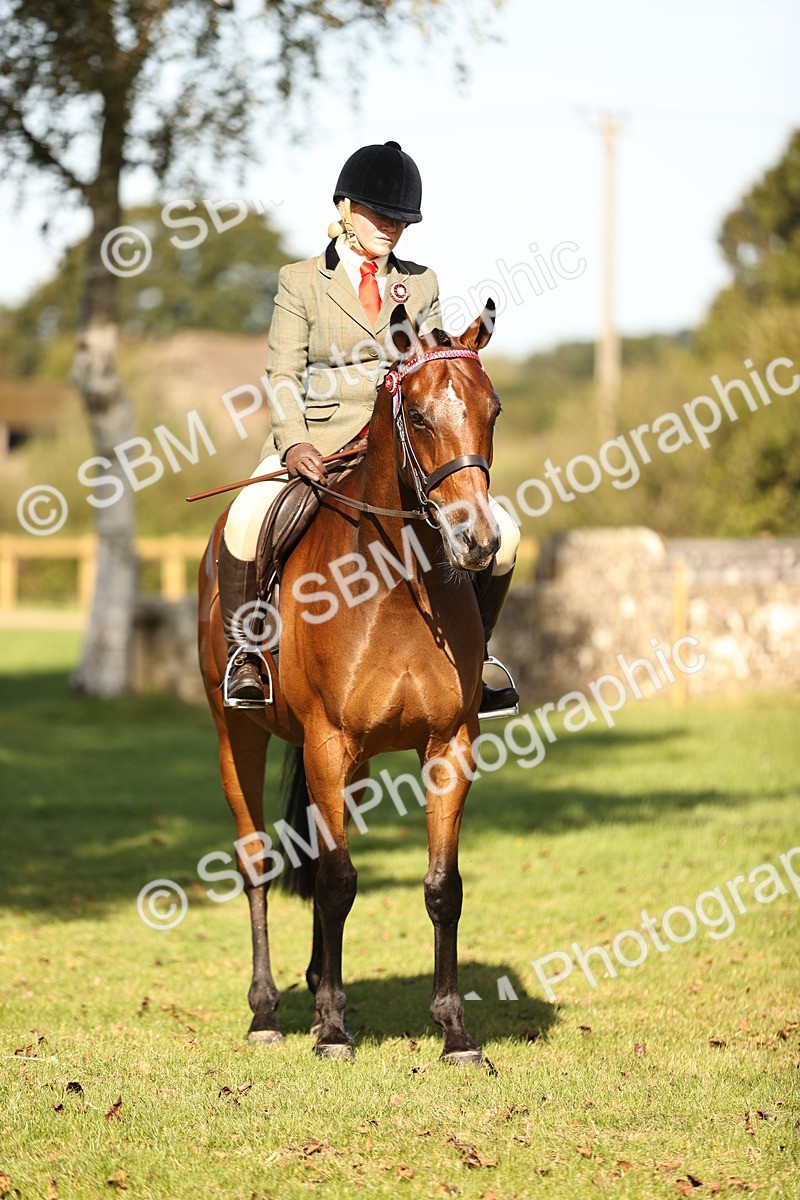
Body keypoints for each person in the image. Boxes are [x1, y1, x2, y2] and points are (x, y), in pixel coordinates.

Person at [217, 140, 520, 715]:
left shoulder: (421, 282)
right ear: (346, 208)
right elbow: (284, 373)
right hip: (318, 443)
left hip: (406, 444)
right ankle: (248, 656)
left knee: (504, 537)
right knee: (246, 518)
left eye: (401, 220)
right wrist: (294, 442)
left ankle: (476, 656)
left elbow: (434, 367)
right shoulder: (301, 281)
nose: (392, 228)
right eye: (381, 215)